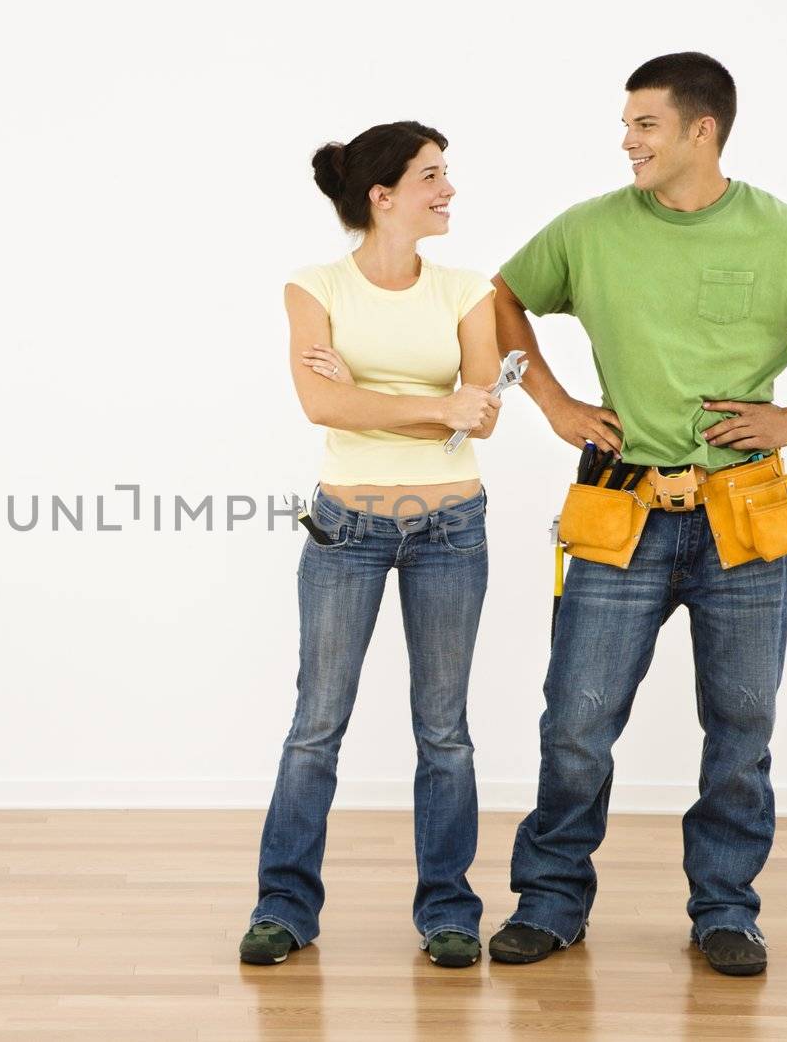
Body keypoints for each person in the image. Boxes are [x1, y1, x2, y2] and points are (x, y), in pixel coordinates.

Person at [484, 53, 787, 976]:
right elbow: (501, 300)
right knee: (575, 721)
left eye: (645, 123)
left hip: (744, 512)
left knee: (742, 724)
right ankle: (552, 900)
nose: (627, 140)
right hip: (621, 508)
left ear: (700, 131)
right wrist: (555, 405)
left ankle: (726, 909)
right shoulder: (590, 229)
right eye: (627, 122)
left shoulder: (784, 232)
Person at [239, 121, 502, 969]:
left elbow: (485, 412)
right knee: (316, 724)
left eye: (447, 174)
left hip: (451, 528)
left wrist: (372, 392)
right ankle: (283, 907)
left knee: (445, 730)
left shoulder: (468, 289)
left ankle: (450, 912)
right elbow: (323, 407)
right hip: (345, 526)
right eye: (432, 176)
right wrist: (433, 408)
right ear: (382, 196)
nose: (449, 189)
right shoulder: (312, 287)